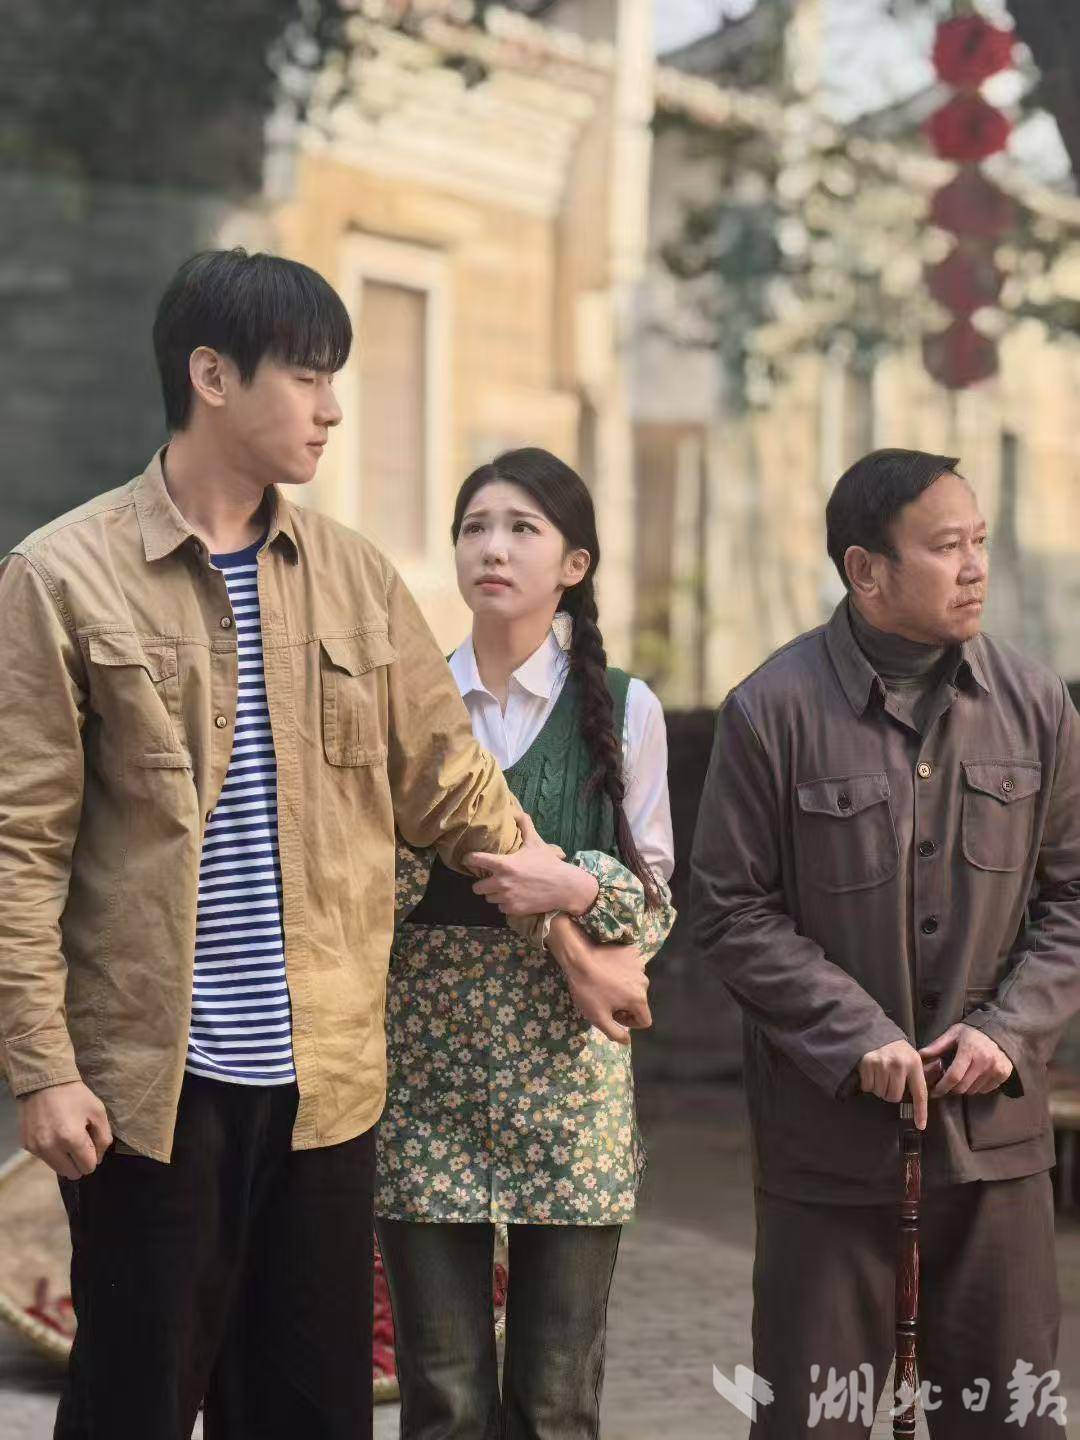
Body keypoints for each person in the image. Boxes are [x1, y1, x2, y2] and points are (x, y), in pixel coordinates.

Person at [0, 249, 624, 1440]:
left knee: (309, 1412)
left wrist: (572, 926)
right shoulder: (60, 577)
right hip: (148, 1092)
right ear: (212, 377)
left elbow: (453, 786)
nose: (332, 407)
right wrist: (43, 1067)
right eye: (307, 375)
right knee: (132, 1404)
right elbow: (20, 846)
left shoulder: (355, 578)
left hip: (326, 1090)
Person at [691, 449, 1080, 1437]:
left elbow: (1073, 901)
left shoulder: (1036, 707)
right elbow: (730, 909)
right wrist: (853, 1033)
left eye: (979, 542)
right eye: (946, 547)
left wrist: (1007, 1032)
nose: (975, 567)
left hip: (994, 1144)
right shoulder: (772, 711)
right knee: (813, 1418)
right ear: (865, 570)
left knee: (1008, 1417)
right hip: (829, 1150)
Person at [375, 447, 676, 1439]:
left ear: (574, 565)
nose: (492, 549)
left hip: (570, 1089)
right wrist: (502, 877)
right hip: (425, 1088)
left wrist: (573, 883)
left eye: (520, 529)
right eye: (474, 528)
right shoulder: (407, 704)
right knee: (444, 1399)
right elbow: (362, 889)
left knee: (554, 1404)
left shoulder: (624, 709)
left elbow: (657, 904)